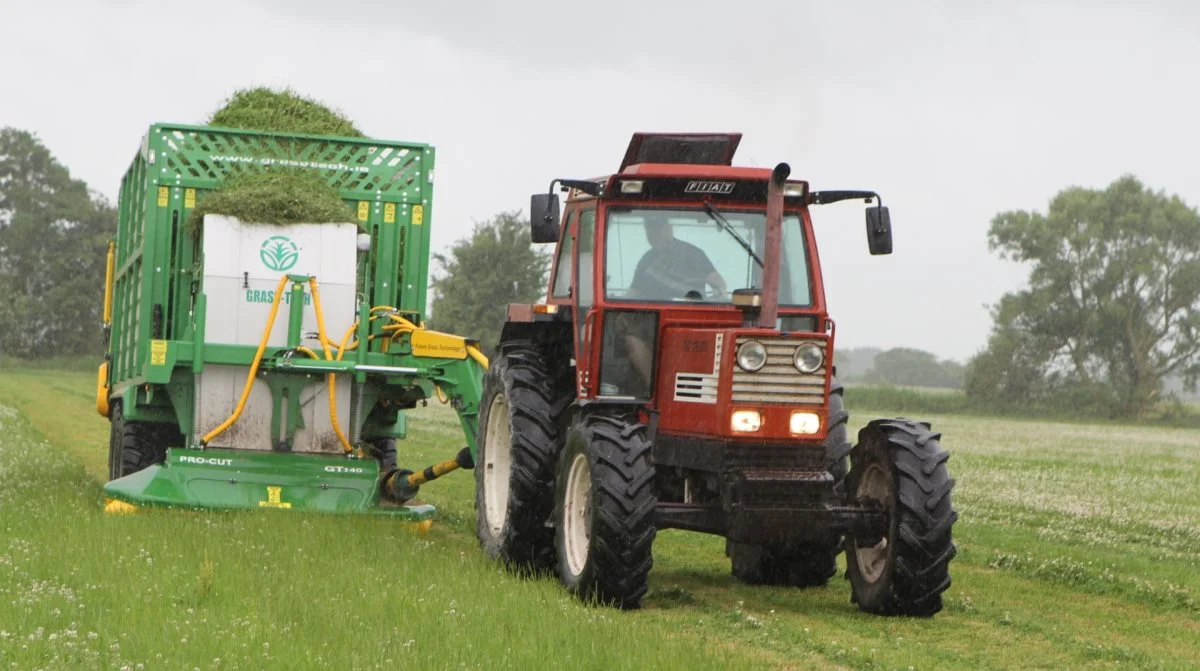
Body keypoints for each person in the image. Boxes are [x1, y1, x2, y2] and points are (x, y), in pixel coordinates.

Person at [607, 214, 727, 394]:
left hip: (686, 320)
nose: (652, 235)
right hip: (652, 321)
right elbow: (634, 293)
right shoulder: (648, 260)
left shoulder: (691, 253)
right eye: (649, 230)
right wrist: (615, 305)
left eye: (656, 230)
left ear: (668, 229)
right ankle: (653, 389)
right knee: (626, 332)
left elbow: (716, 280)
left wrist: (721, 294)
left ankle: (663, 391)